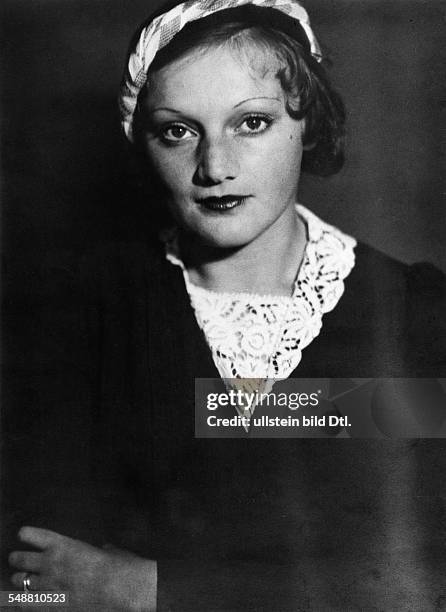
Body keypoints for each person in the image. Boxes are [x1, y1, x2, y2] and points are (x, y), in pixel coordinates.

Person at [8, 0, 446, 610]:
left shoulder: (410, 316)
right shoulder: (82, 310)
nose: (214, 167)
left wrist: (152, 590)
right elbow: (32, 588)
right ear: (144, 143)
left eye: (252, 123)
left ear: (308, 123)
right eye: (178, 131)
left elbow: (414, 587)